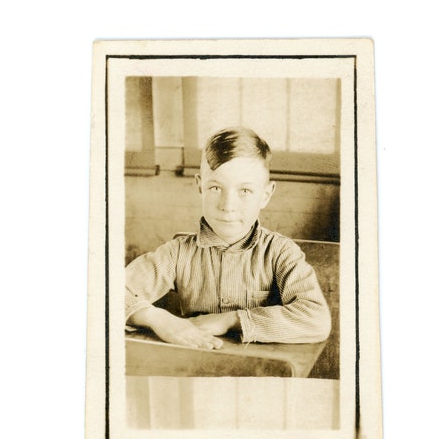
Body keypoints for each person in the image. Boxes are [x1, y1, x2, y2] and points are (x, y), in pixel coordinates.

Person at [125, 126, 332, 350]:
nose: (227, 206)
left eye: (245, 191)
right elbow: (105, 294)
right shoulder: (176, 253)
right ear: (199, 187)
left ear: (266, 195)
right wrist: (158, 318)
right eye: (215, 188)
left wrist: (231, 319)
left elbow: (316, 320)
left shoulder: (281, 253)